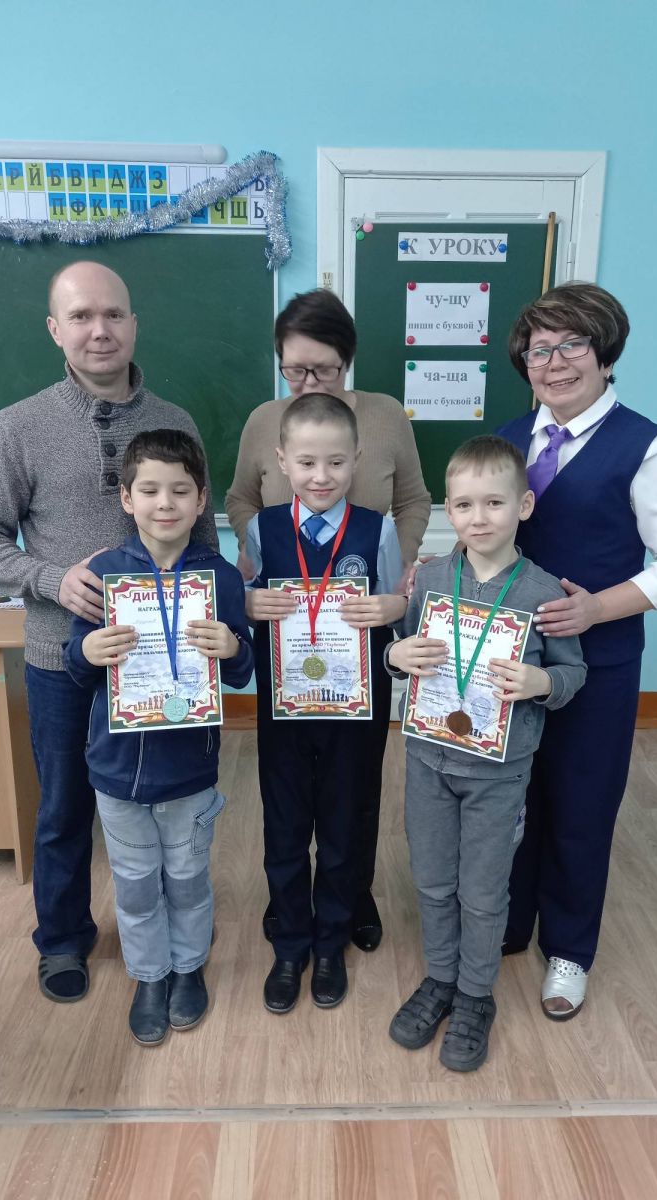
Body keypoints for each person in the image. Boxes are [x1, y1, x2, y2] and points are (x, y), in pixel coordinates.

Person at [0, 261, 218, 1004]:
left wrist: (211, 623)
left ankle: (175, 932)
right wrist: (50, 579)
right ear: (55, 330)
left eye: (112, 314)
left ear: (134, 323)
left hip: (163, 663)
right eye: (80, 316)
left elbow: (203, 539)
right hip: (60, 660)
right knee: (64, 805)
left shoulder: (176, 421)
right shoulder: (18, 426)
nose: (98, 330)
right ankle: (64, 938)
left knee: (170, 803)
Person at [498, 281, 657, 1019]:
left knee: (581, 803)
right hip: (509, 660)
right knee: (512, 793)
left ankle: (569, 950)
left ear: (606, 352)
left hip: (600, 665)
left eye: (573, 345)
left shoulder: (648, 447)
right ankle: (510, 920)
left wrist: (596, 609)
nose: (555, 362)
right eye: (539, 350)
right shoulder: (509, 436)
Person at [226, 288, 431, 953]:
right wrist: (254, 558)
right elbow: (239, 497)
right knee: (287, 793)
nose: (309, 381)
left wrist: (398, 578)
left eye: (323, 368)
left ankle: (351, 895)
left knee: (354, 790)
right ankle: (292, 905)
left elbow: (414, 498)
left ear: (347, 358)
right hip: (288, 640)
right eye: (295, 370)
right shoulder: (265, 421)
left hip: (358, 635)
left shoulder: (385, 417)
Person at [386, 436, 586, 1071]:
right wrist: (395, 655)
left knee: (481, 889)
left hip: (498, 773)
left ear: (523, 506)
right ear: (448, 509)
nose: (479, 517)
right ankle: (440, 978)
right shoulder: (431, 578)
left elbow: (573, 673)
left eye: (495, 502)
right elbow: (403, 647)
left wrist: (542, 681)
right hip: (427, 761)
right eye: (464, 504)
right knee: (432, 879)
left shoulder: (545, 591)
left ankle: (475, 994)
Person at [63, 430, 252, 1044]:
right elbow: (75, 664)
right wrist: (88, 650)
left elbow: (243, 670)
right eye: (149, 490)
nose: (164, 503)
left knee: (188, 877)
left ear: (201, 500)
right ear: (126, 499)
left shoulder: (221, 578)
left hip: (188, 771)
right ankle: (150, 975)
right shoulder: (103, 574)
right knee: (136, 884)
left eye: (179, 491)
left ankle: (190, 966)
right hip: (115, 768)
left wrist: (233, 648)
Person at [243, 393, 408, 1013]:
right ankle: (291, 941)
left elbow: (398, 608)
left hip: (356, 708)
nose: (321, 476)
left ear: (357, 459)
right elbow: (247, 599)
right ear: (282, 459)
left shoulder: (377, 528)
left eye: (336, 462)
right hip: (285, 706)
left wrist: (393, 607)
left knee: (346, 819)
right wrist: (248, 603)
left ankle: (332, 938)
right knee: (285, 822)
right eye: (307, 462)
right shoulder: (261, 529)